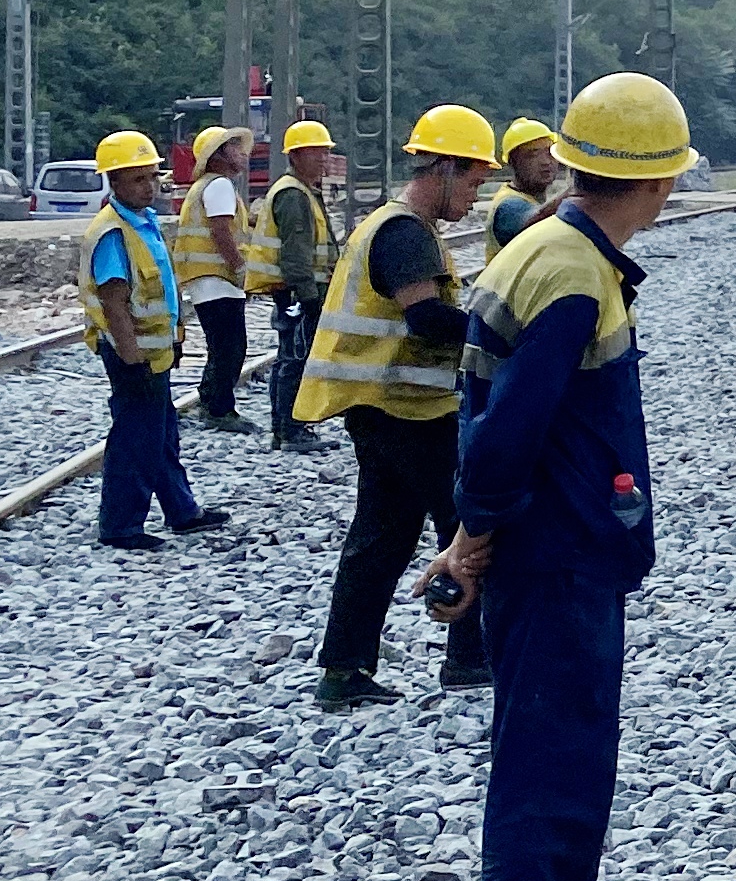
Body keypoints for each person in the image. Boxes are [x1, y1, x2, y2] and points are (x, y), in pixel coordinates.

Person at [430, 72, 694, 881]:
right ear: (656, 184)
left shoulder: (548, 245)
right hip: (558, 558)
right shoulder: (575, 279)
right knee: (550, 766)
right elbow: (504, 436)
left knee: (573, 759)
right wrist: (475, 533)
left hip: (568, 548)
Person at [298, 103, 503, 704]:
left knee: (383, 535)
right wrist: (498, 334)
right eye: (471, 180)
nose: (474, 196)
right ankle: (467, 659)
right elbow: (425, 318)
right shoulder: (405, 233)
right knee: (468, 527)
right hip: (407, 409)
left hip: (382, 406)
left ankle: (344, 669)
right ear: (441, 168)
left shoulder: (395, 227)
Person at [76, 132, 218, 550]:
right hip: (131, 354)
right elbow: (115, 303)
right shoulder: (113, 234)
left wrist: (172, 340)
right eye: (137, 179)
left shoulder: (144, 224)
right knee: (135, 437)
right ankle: (120, 525)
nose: (148, 186)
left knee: (160, 432)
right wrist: (133, 358)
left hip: (152, 352)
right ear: (114, 182)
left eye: (151, 177)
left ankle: (181, 510)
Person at [246, 117, 343, 455]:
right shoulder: (293, 195)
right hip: (298, 291)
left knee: (292, 356)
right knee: (296, 359)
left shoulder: (301, 191)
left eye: (325, 152)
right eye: (315, 152)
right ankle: (291, 429)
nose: (323, 159)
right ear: (296, 156)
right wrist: (309, 296)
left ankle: (285, 427)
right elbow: (296, 251)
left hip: (298, 289)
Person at [178, 125, 255, 435]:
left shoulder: (204, 187)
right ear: (220, 155)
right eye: (236, 148)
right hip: (217, 277)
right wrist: (239, 267)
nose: (243, 154)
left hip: (206, 277)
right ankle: (219, 409)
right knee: (230, 346)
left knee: (222, 345)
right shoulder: (220, 186)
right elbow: (221, 231)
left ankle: (211, 400)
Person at [485, 119, 563, 258]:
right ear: (513, 162)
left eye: (549, 152)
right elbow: (540, 219)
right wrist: (582, 190)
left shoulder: (531, 199)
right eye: (532, 154)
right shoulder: (508, 206)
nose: (545, 161)